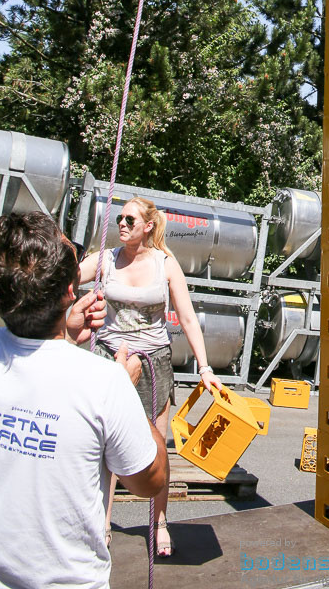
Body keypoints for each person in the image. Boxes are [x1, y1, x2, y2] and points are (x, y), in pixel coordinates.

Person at [0, 211, 167, 589]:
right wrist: (127, 392)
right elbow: (152, 481)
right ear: (71, 292)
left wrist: (65, 338)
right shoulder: (103, 382)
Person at [80, 196, 222, 557]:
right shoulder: (105, 260)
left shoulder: (165, 263)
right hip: (108, 358)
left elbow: (188, 318)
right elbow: (59, 278)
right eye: (120, 218)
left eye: (130, 219)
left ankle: (159, 522)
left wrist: (204, 368)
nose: (122, 224)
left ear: (148, 226)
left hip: (153, 362)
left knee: (156, 442)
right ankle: (103, 522)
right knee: (103, 446)